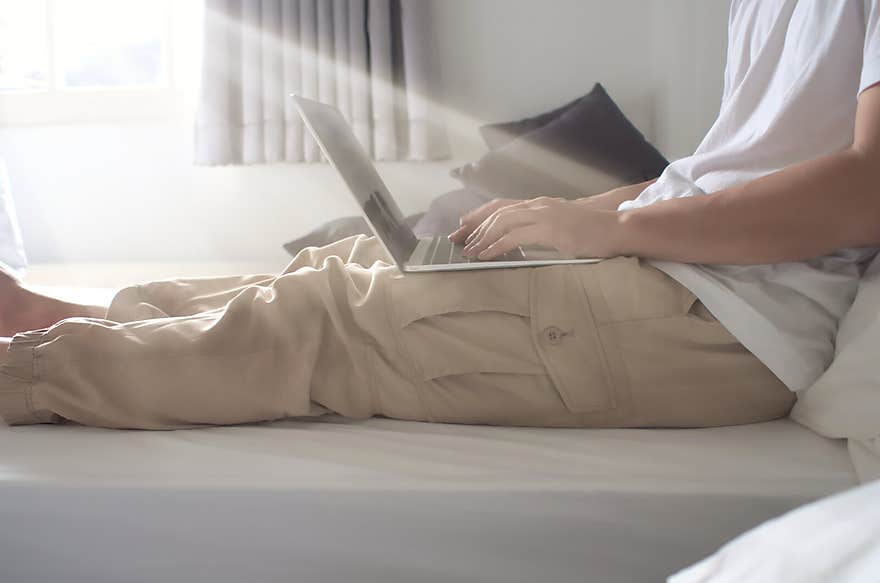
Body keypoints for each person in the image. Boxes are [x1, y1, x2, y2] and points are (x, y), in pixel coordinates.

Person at [1, 0, 878, 431]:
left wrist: (609, 231)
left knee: (334, 320)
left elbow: (865, 187)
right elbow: (707, 175)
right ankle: (64, 320)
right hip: (687, 275)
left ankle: (30, 370)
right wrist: (564, 213)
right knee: (340, 270)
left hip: (734, 322)